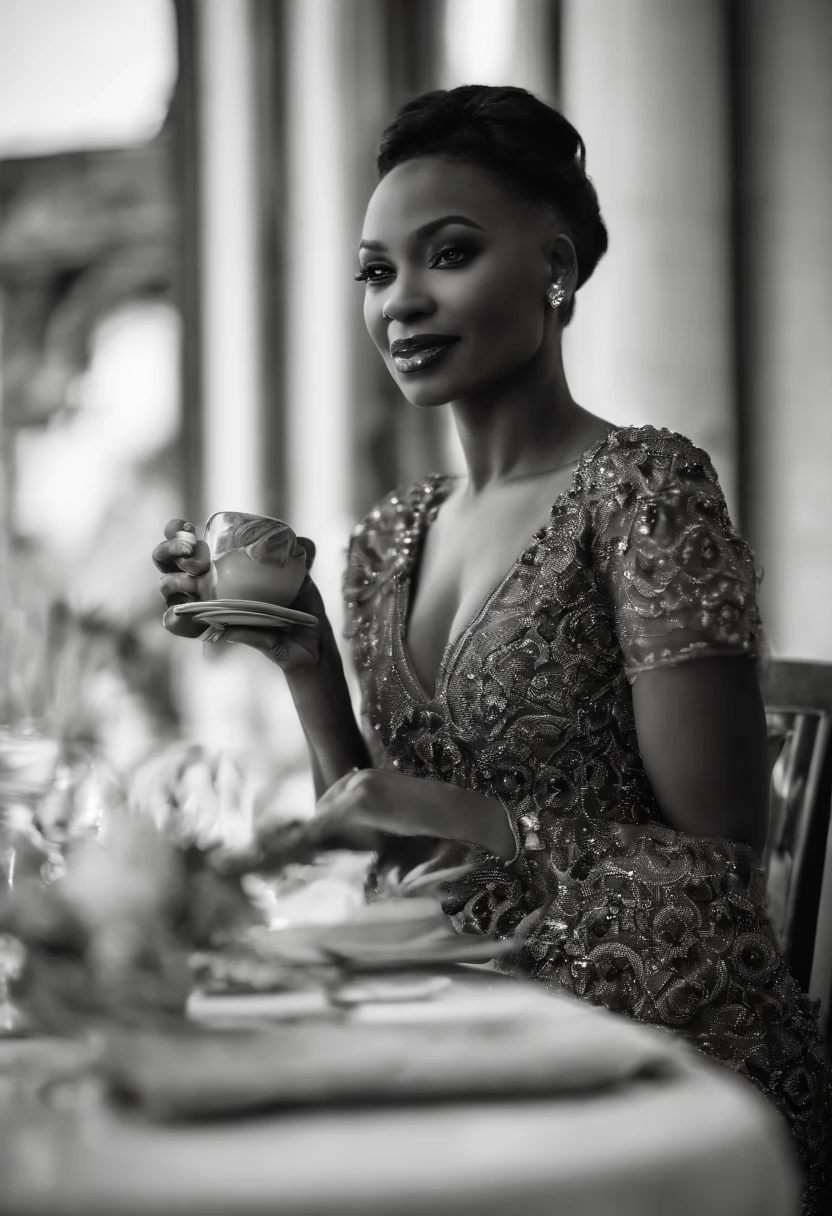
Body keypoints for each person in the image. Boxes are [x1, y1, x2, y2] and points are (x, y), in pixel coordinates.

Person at [154, 85, 828, 1210]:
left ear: (554, 268)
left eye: (450, 254)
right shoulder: (387, 538)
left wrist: (486, 822)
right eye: (376, 271)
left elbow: (723, 871)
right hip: (459, 1041)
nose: (402, 302)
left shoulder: (643, 490)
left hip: (658, 1069)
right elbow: (389, 858)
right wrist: (309, 663)